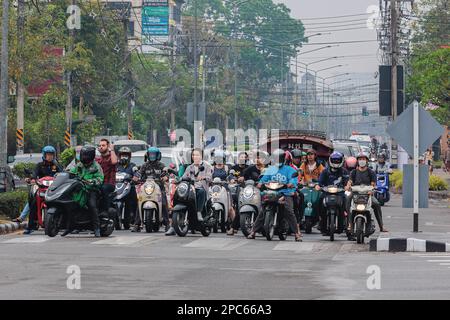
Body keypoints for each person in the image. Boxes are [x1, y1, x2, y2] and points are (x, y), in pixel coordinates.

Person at [247, 149, 303, 242]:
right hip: (271, 192)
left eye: (279, 159)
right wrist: (260, 183)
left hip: (285, 192)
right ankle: (253, 232)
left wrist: (291, 184)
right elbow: (264, 178)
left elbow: (293, 179)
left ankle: (297, 234)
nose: (278, 161)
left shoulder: (289, 170)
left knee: (289, 210)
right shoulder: (271, 169)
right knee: (263, 210)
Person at [22, 146, 63, 234]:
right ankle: (31, 226)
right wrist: (32, 179)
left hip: (54, 189)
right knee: (33, 203)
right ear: (44, 155)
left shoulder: (56, 165)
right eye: (48, 155)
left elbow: (62, 174)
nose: (50, 157)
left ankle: (64, 223)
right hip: (42, 188)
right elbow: (34, 174)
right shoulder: (39, 165)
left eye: (52, 155)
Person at [65, 146, 104, 237]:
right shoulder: (79, 165)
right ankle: (70, 227)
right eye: (83, 155)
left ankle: (96, 228)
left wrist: (92, 181)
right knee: (70, 204)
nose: (84, 157)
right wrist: (65, 173)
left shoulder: (96, 166)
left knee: (92, 205)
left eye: (86, 155)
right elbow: (71, 172)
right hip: (79, 189)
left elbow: (100, 179)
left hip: (91, 190)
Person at [345, 152, 388, 233]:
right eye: (360, 159)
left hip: (367, 194)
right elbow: (350, 181)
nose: (362, 161)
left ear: (367, 161)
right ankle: (349, 224)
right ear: (357, 161)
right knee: (347, 200)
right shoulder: (353, 172)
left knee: (376, 204)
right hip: (355, 194)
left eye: (363, 159)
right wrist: (348, 186)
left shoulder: (371, 172)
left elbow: (373, 184)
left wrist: (371, 190)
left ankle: (381, 226)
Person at [134, 147, 169, 232]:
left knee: (164, 203)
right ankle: (137, 224)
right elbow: (139, 174)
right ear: (147, 155)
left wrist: (165, 177)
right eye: (150, 154)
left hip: (159, 189)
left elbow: (166, 175)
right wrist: (135, 177)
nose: (152, 156)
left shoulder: (161, 165)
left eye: (154, 154)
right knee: (139, 202)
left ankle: (167, 224)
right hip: (146, 189)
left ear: (158, 155)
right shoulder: (144, 165)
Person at [317, 152, 349, 234]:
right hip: (326, 193)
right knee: (319, 200)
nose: (336, 162)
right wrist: (318, 186)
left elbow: (347, 182)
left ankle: (347, 225)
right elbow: (320, 182)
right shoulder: (325, 171)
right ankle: (320, 221)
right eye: (334, 160)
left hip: (340, 193)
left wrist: (347, 186)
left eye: (338, 161)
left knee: (347, 204)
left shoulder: (344, 172)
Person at [181, 148, 213, 223]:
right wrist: (178, 179)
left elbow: (210, 177)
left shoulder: (207, 166)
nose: (195, 157)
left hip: (201, 188)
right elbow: (184, 176)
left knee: (201, 191)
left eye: (197, 155)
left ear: (201, 156)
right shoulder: (190, 167)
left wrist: (203, 177)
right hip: (191, 189)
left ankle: (199, 212)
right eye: (193, 155)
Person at [116, 147, 140, 229]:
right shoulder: (116, 165)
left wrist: (135, 177)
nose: (124, 157)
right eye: (122, 155)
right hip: (118, 187)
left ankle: (133, 220)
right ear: (119, 156)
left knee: (133, 201)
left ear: (129, 156)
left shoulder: (132, 166)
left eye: (126, 155)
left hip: (129, 188)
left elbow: (137, 173)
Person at [96, 139, 118, 212]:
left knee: (103, 188)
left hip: (109, 183)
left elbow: (114, 161)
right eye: (100, 145)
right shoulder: (98, 159)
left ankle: (105, 210)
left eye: (103, 145)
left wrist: (112, 150)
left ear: (107, 146)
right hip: (98, 183)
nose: (101, 147)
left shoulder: (111, 156)